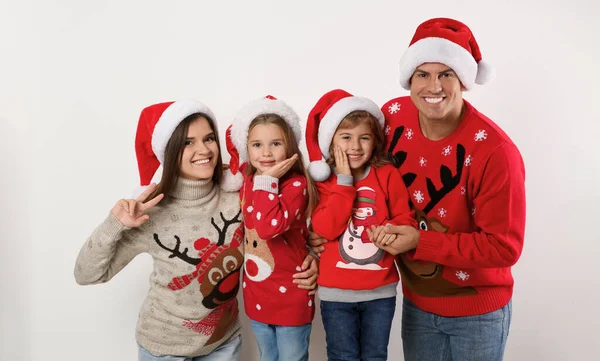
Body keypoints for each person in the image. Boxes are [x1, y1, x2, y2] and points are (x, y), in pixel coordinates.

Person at [312, 18, 526, 361]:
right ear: (409, 78)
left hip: (477, 313)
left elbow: (504, 248)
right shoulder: (391, 118)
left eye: (447, 74)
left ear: (465, 80)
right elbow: (353, 174)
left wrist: (420, 241)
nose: (433, 86)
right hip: (416, 304)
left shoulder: (495, 152)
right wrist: (316, 244)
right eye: (423, 74)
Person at [74, 99, 318, 361]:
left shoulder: (240, 191)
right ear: (169, 151)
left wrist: (312, 258)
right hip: (163, 350)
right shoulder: (151, 211)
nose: (203, 150)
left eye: (209, 138)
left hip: (223, 346)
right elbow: (87, 275)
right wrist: (115, 224)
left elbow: (286, 229)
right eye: (188, 142)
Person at [304, 89, 417, 361]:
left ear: (374, 141)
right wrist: (344, 181)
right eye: (346, 138)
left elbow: (404, 219)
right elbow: (325, 229)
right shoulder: (325, 180)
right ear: (331, 141)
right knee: (343, 356)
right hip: (336, 295)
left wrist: (388, 231)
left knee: (375, 355)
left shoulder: (387, 175)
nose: (355, 146)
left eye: (363, 138)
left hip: (380, 293)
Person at [223, 95, 317, 361]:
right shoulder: (246, 181)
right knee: (268, 357)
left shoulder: (295, 185)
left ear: (289, 147)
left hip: (291, 295)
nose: (266, 153)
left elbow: (267, 227)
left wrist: (267, 180)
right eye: (257, 145)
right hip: (257, 293)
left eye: (275, 144)